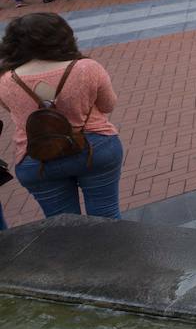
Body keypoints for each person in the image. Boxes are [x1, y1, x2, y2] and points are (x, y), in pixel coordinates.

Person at [0, 13, 122, 221]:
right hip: (93, 146)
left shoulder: (5, 79)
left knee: (62, 224)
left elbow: (12, 110)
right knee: (107, 216)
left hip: (37, 156)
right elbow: (107, 105)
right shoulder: (86, 68)